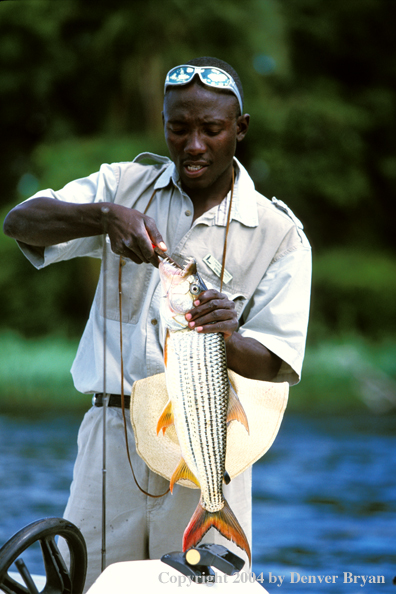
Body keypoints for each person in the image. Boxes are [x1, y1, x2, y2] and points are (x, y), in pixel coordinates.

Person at [3, 57, 311, 590]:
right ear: (163, 123)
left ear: (239, 129)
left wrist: (230, 337)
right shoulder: (122, 186)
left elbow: (279, 362)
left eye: (211, 130)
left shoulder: (278, 232)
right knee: (85, 584)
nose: (193, 145)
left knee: (199, 588)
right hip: (110, 439)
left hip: (206, 446)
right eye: (178, 128)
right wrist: (99, 215)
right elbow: (19, 221)